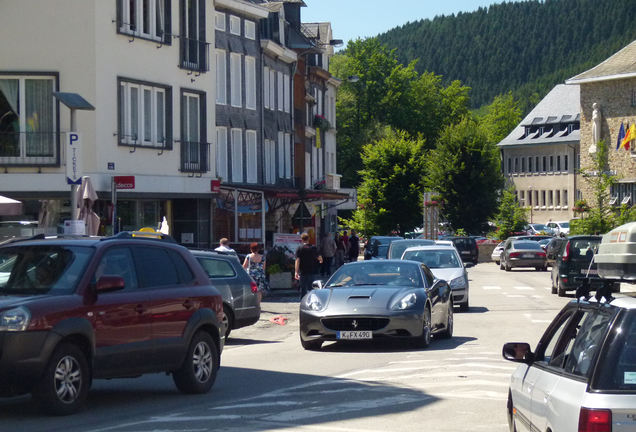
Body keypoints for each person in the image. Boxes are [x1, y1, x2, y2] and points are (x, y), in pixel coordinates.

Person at [295, 232, 322, 299]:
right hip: (312, 271)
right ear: (308, 239)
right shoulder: (313, 248)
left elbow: (297, 261)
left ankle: (303, 302)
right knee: (312, 289)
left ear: (302, 239)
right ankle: (312, 302)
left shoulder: (299, 248)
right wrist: (320, 260)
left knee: (303, 289)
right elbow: (319, 258)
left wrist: (296, 272)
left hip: (303, 271)